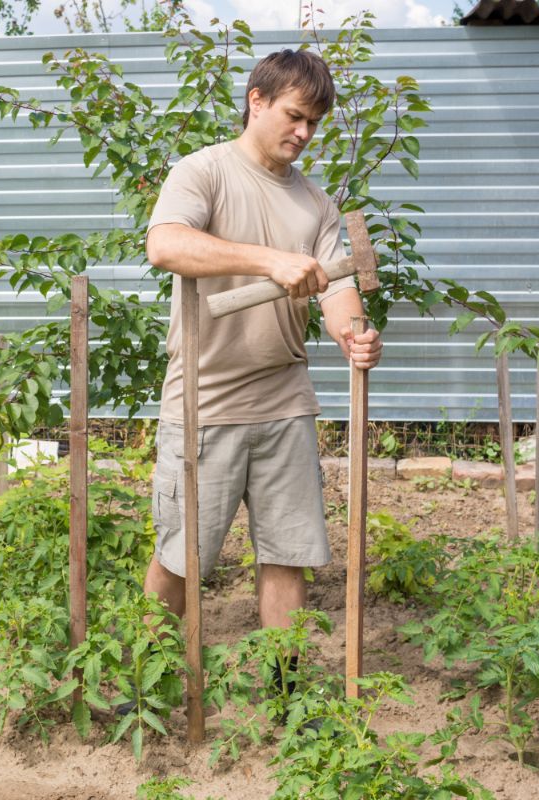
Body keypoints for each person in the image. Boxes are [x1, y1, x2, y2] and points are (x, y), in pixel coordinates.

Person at [142, 48, 383, 633]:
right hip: (205, 404)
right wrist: (269, 261)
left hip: (284, 404)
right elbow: (166, 244)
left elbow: (336, 289)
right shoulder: (204, 172)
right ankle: (141, 676)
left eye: (314, 124)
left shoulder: (318, 204)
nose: (304, 134)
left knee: (288, 554)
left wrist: (355, 335)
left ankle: (285, 686)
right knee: (182, 557)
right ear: (257, 101)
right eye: (295, 117)